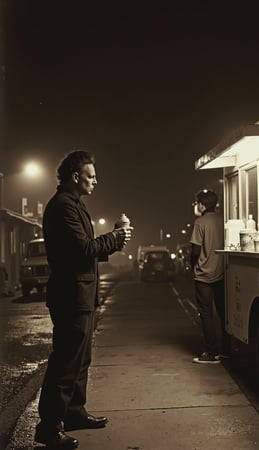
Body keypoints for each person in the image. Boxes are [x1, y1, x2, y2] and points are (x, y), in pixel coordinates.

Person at [34, 150, 132, 449]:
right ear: (75, 177)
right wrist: (115, 237)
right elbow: (81, 249)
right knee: (66, 362)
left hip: (81, 294)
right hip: (70, 296)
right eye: (90, 176)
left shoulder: (74, 205)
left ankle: (74, 413)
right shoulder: (63, 206)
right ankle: (48, 428)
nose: (95, 181)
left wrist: (113, 240)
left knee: (81, 360)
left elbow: (87, 248)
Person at [190, 189, 230, 364]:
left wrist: (193, 267)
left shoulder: (200, 222)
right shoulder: (223, 220)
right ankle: (227, 350)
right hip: (222, 274)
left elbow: (195, 250)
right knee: (223, 312)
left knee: (206, 314)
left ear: (202, 204)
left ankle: (211, 352)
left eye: (196, 203)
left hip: (203, 276)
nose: (195, 206)